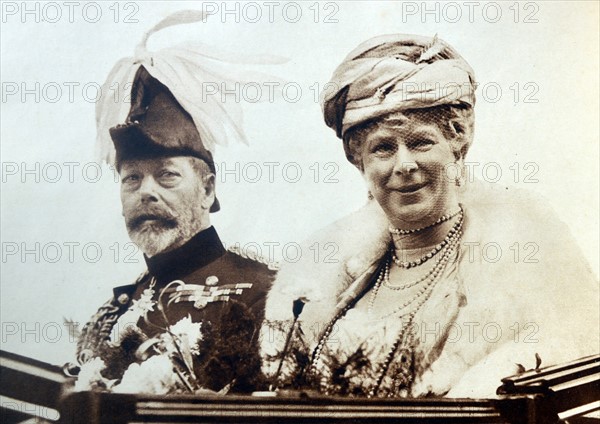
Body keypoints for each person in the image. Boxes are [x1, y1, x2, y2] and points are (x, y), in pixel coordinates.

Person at [260, 34, 599, 398]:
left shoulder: (520, 266)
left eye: (421, 142)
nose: (404, 165)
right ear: (358, 159)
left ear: (456, 141)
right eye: (383, 149)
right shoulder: (334, 284)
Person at [71, 12, 278, 394]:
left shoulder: (264, 294)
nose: (146, 191)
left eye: (167, 175)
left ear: (208, 190)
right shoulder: (113, 313)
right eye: (131, 178)